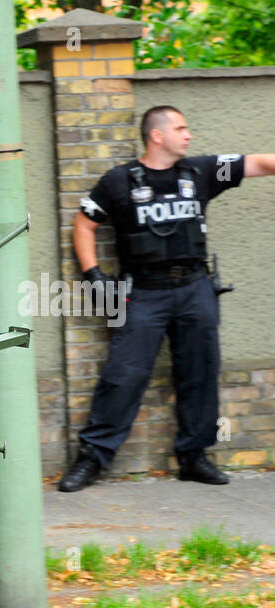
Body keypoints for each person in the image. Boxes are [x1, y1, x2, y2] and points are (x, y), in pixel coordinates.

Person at [59, 106, 275, 492]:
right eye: (181, 128)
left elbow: (259, 163)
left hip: (195, 289)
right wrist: (94, 277)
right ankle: (92, 457)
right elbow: (84, 224)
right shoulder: (119, 180)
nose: (188, 135)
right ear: (156, 136)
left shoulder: (202, 172)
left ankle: (194, 457)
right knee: (123, 376)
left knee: (200, 372)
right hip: (142, 294)